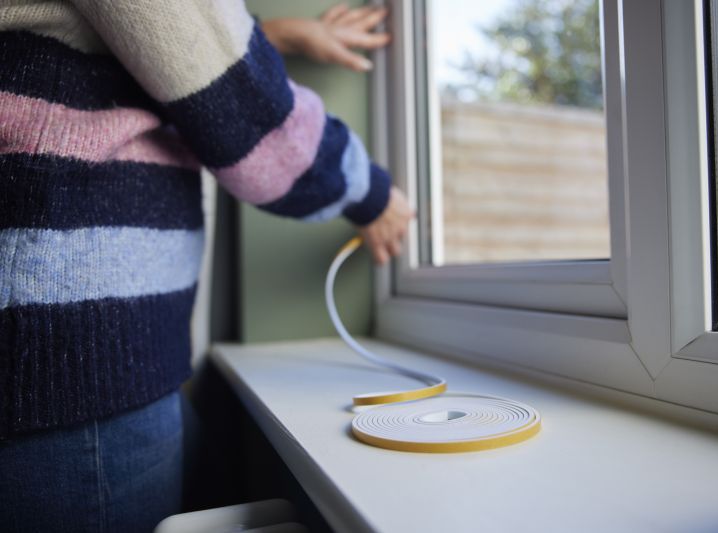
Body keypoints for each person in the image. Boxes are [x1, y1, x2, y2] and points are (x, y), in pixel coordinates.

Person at [0, 2, 411, 531]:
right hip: (68, 370)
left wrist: (267, 37)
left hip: (77, 364)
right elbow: (247, 112)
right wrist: (372, 192)